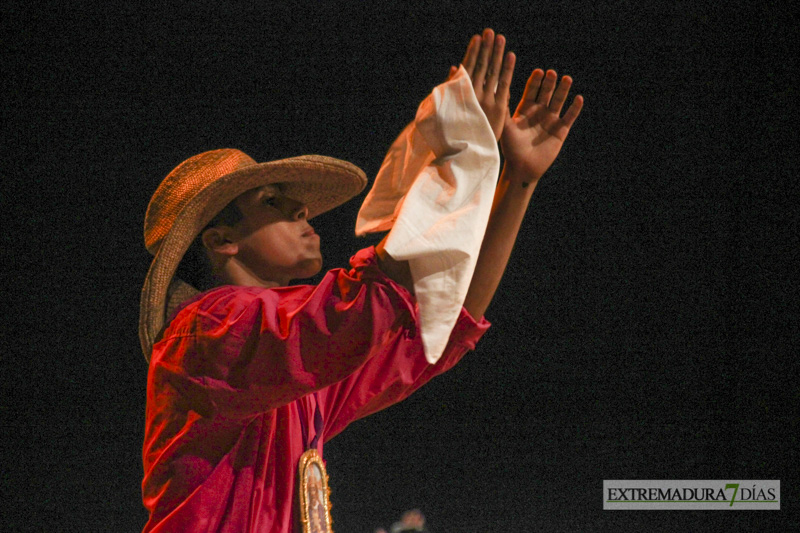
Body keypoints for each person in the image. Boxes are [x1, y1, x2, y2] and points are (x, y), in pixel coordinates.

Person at [139, 29, 583, 532]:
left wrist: (516, 181)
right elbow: (355, 306)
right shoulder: (205, 334)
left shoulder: (292, 373)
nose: (301, 208)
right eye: (271, 202)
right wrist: (461, 156)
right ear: (222, 241)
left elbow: (432, 334)